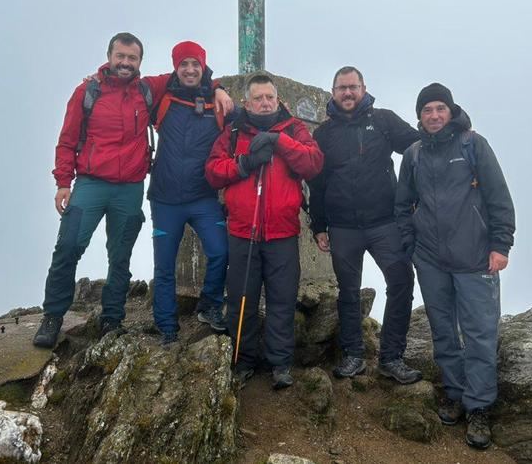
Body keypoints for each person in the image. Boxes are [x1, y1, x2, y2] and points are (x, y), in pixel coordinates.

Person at [395, 83, 515, 449]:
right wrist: (412, 247)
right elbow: (402, 206)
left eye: (439, 109)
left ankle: (479, 407)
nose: (433, 115)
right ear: (419, 115)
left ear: (450, 111)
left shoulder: (473, 145)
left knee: (480, 334)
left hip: (475, 257)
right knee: (443, 331)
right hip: (431, 260)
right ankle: (456, 393)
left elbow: (498, 197)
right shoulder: (413, 155)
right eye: (427, 110)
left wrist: (500, 245)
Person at [205, 74, 323, 389]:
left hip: (282, 233)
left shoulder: (294, 129)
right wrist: (244, 163)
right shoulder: (232, 133)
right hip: (243, 232)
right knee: (242, 298)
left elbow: (313, 163)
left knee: (282, 301)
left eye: (270, 97)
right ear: (247, 102)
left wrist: (279, 143)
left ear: (278, 99)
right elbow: (214, 172)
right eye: (258, 98)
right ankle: (243, 361)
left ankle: (280, 363)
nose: (265, 102)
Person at [34, 32, 150, 348]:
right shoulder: (87, 91)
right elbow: (67, 140)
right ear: (109, 56)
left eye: (132, 58)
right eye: (121, 56)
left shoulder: (147, 90)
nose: (125, 63)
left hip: (129, 188)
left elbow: (189, 77)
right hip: (90, 183)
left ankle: (112, 319)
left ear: (140, 61)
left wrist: (219, 89)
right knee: (68, 245)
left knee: (120, 255)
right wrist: (62, 182)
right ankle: (53, 317)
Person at [307, 66, 422, 383]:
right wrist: (318, 225)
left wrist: (415, 198)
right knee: (348, 291)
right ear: (333, 92)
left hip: (386, 222)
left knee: (401, 282)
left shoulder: (383, 121)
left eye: (353, 87)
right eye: (342, 88)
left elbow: (417, 148)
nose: (348, 93)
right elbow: (317, 184)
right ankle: (353, 356)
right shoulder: (324, 134)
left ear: (363, 88)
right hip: (343, 227)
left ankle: (391, 358)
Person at [142, 41, 235, 344]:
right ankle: (168, 329)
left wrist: (218, 88)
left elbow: (250, 121)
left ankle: (209, 306)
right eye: (184, 64)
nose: (190, 69)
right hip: (165, 198)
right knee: (164, 266)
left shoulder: (218, 102)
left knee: (221, 251)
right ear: (176, 67)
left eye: (195, 64)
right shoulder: (163, 97)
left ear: (203, 66)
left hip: (203, 196)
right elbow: (131, 87)